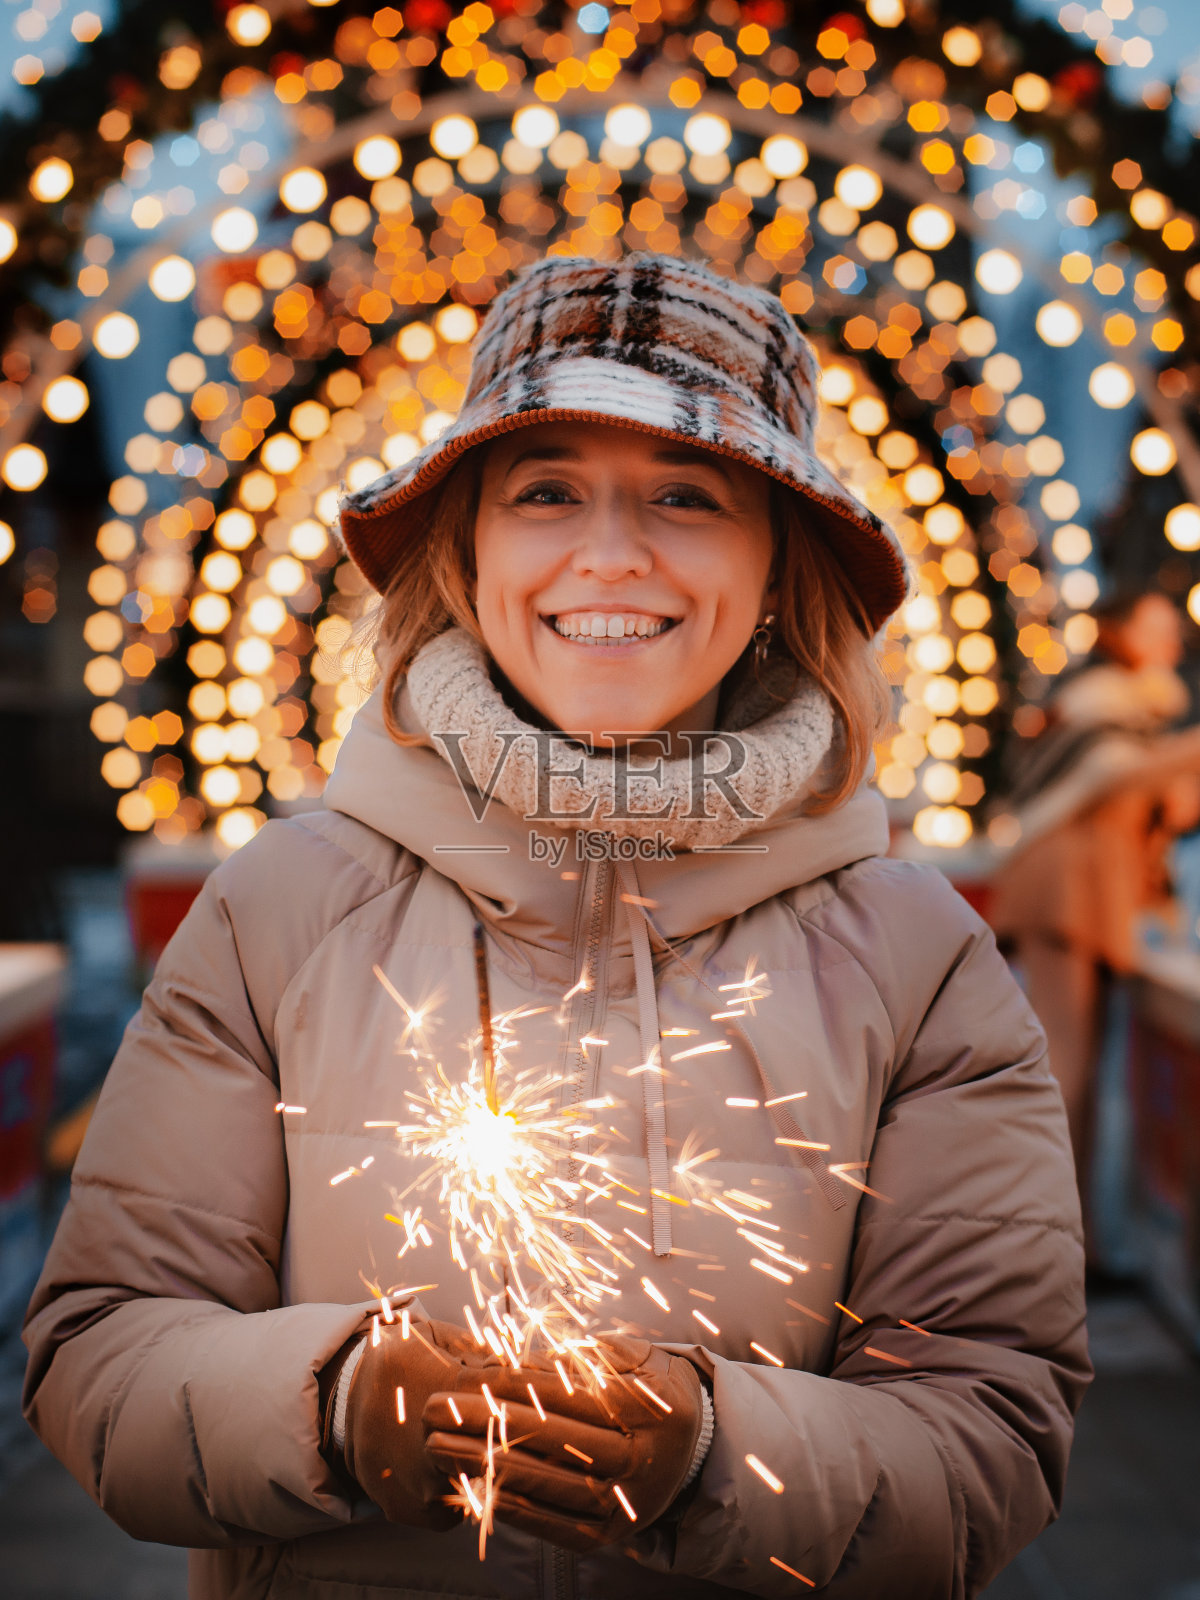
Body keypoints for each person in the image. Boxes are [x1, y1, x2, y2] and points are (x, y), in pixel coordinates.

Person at [24, 253, 1089, 1600]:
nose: (611, 552)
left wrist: (714, 1449)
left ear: (778, 562)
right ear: (468, 548)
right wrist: (336, 1405)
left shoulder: (915, 957)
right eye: (545, 490)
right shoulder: (281, 908)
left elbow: (991, 1433)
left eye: (686, 496)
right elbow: (99, 1357)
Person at [990, 587, 1200, 1241]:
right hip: (1064, 891)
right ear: (1120, 632)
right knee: (1064, 1072)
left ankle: (1073, 1239)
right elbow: (1119, 776)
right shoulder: (1098, 699)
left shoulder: (1133, 708)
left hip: (1089, 894)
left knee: (1076, 1071)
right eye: (1158, 625)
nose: (1171, 640)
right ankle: (1051, 1241)